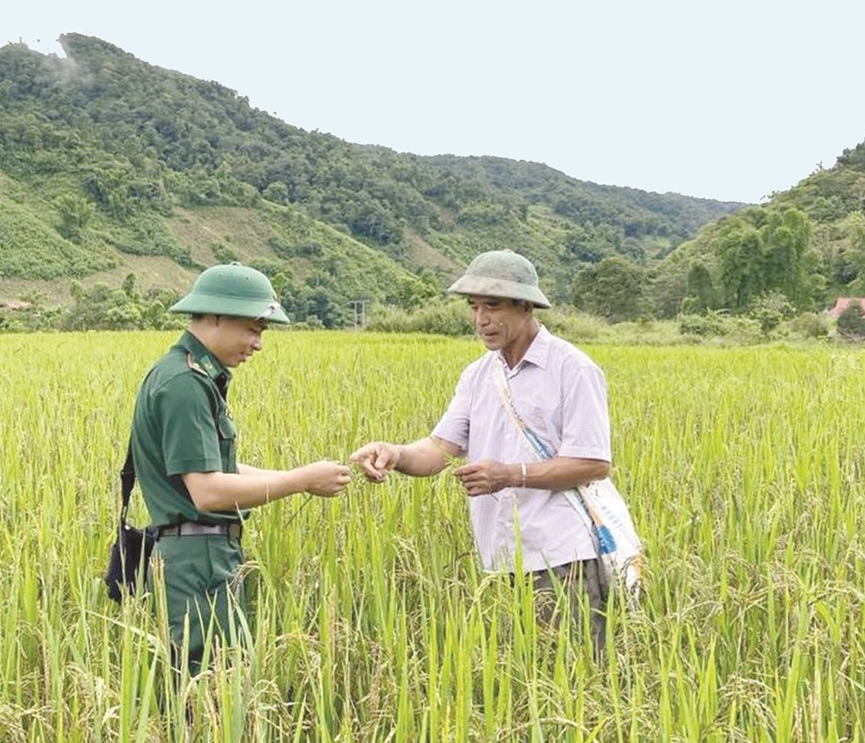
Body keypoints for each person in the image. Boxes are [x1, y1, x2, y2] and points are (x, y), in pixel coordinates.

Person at [351, 249, 627, 655]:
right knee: (520, 682)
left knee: (573, 681)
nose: (481, 319)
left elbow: (593, 463)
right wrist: (394, 453)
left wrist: (510, 475)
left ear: (526, 305)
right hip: (500, 561)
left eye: (493, 306)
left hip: (562, 558)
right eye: (474, 307)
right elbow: (439, 450)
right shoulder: (479, 374)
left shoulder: (573, 369)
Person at [131, 262, 351, 673]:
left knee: (221, 683)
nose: (258, 343)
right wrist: (301, 480)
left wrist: (304, 477)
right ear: (215, 316)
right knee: (208, 691)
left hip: (201, 553)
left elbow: (216, 468)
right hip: (197, 561)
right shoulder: (184, 384)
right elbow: (207, 491)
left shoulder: (186, 374)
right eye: (253, 329)